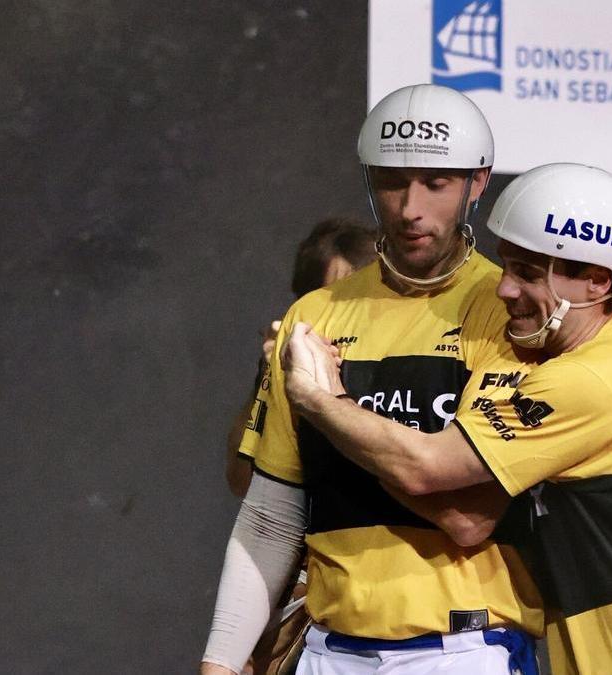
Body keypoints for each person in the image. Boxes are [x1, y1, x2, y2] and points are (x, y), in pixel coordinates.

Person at [280, 163, 612, 674]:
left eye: (529, 274)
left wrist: (324, 399)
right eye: (507, 266)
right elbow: (460, 513)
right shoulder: (605, 364)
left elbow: (424, 470)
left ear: (597, 282)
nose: (504, 289)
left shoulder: (592, 380)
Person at [201, 84, 543, 675]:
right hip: (329, 652)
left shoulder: (507, 312)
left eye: (435, 184)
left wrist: (333, 407)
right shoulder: (313, 316)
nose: (411, 208)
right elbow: (270, 516)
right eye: (391, 181)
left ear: (478, 183)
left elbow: (470, 516)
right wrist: (220, 665)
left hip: (464, 652)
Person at [220, 217, 376, 675]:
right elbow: (241, 478)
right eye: (338, 299)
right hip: (305, 592)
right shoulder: (293, 357)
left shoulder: (413, 363)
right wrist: (269, 380)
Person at [225, 217, 378, 500]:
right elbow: (242, 482)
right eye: (345, 302)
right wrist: (269, 378)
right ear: (305, 309)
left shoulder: (423, 359)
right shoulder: (297, 372)